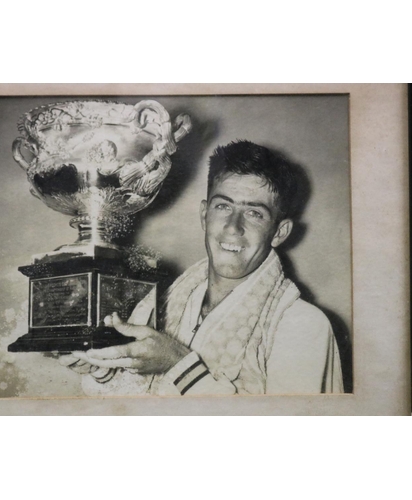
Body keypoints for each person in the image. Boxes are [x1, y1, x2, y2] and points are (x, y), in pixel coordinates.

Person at [60, 139, 344, 395]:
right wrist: (101, 370)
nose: (233, 228)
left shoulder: (303, 325)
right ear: (204, 215)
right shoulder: (155, 305)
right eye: (223, 207)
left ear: (280, 232)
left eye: (255, 213)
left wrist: (177, 364)